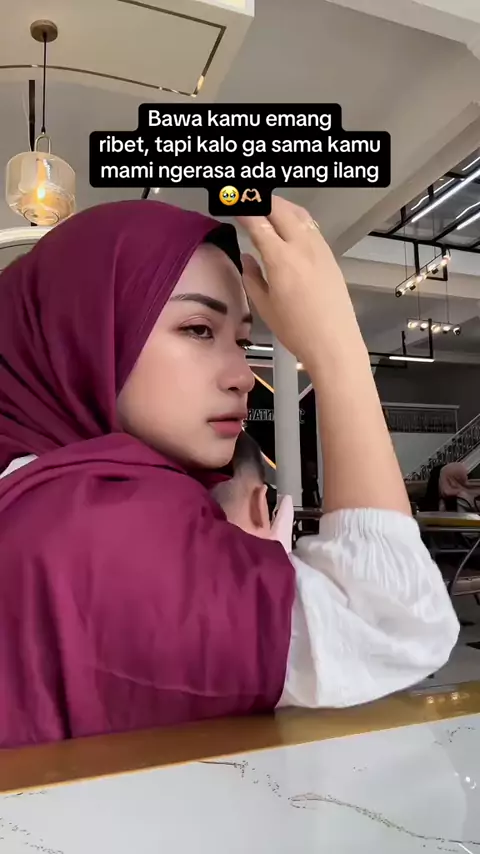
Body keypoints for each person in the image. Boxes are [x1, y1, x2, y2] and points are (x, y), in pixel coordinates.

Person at [0, 196, 459, 748]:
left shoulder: (35, 491)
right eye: (198, 329)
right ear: (78, 332)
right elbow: (394, 624)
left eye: (242, 340)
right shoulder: (88, 523)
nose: (242, 376)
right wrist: (338, 353)